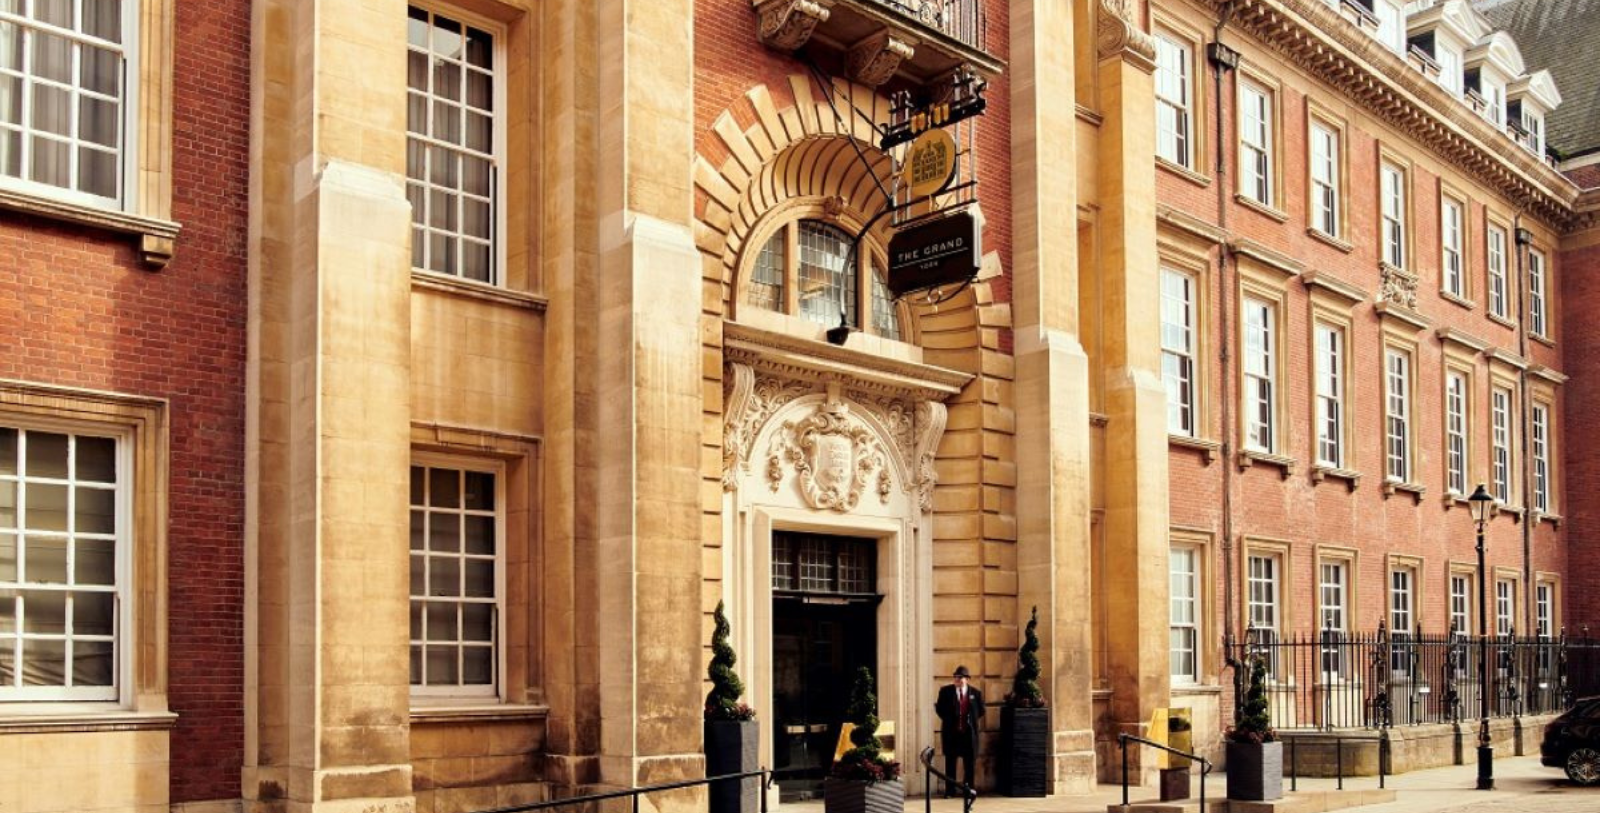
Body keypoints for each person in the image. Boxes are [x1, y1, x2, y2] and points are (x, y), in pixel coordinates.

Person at [934, 665, 984, 797]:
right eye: (955, 677)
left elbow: (981, 711)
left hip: (968, 735)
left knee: (969, 765)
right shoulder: (945, 692)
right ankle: (950, 791)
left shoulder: (976, 694)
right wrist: (951, 721)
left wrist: (968, 722)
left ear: (967, 679)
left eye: (960, 677)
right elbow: (939, 709)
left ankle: (968, 791)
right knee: (950, 764)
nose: (957, 679)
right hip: (952, 734)